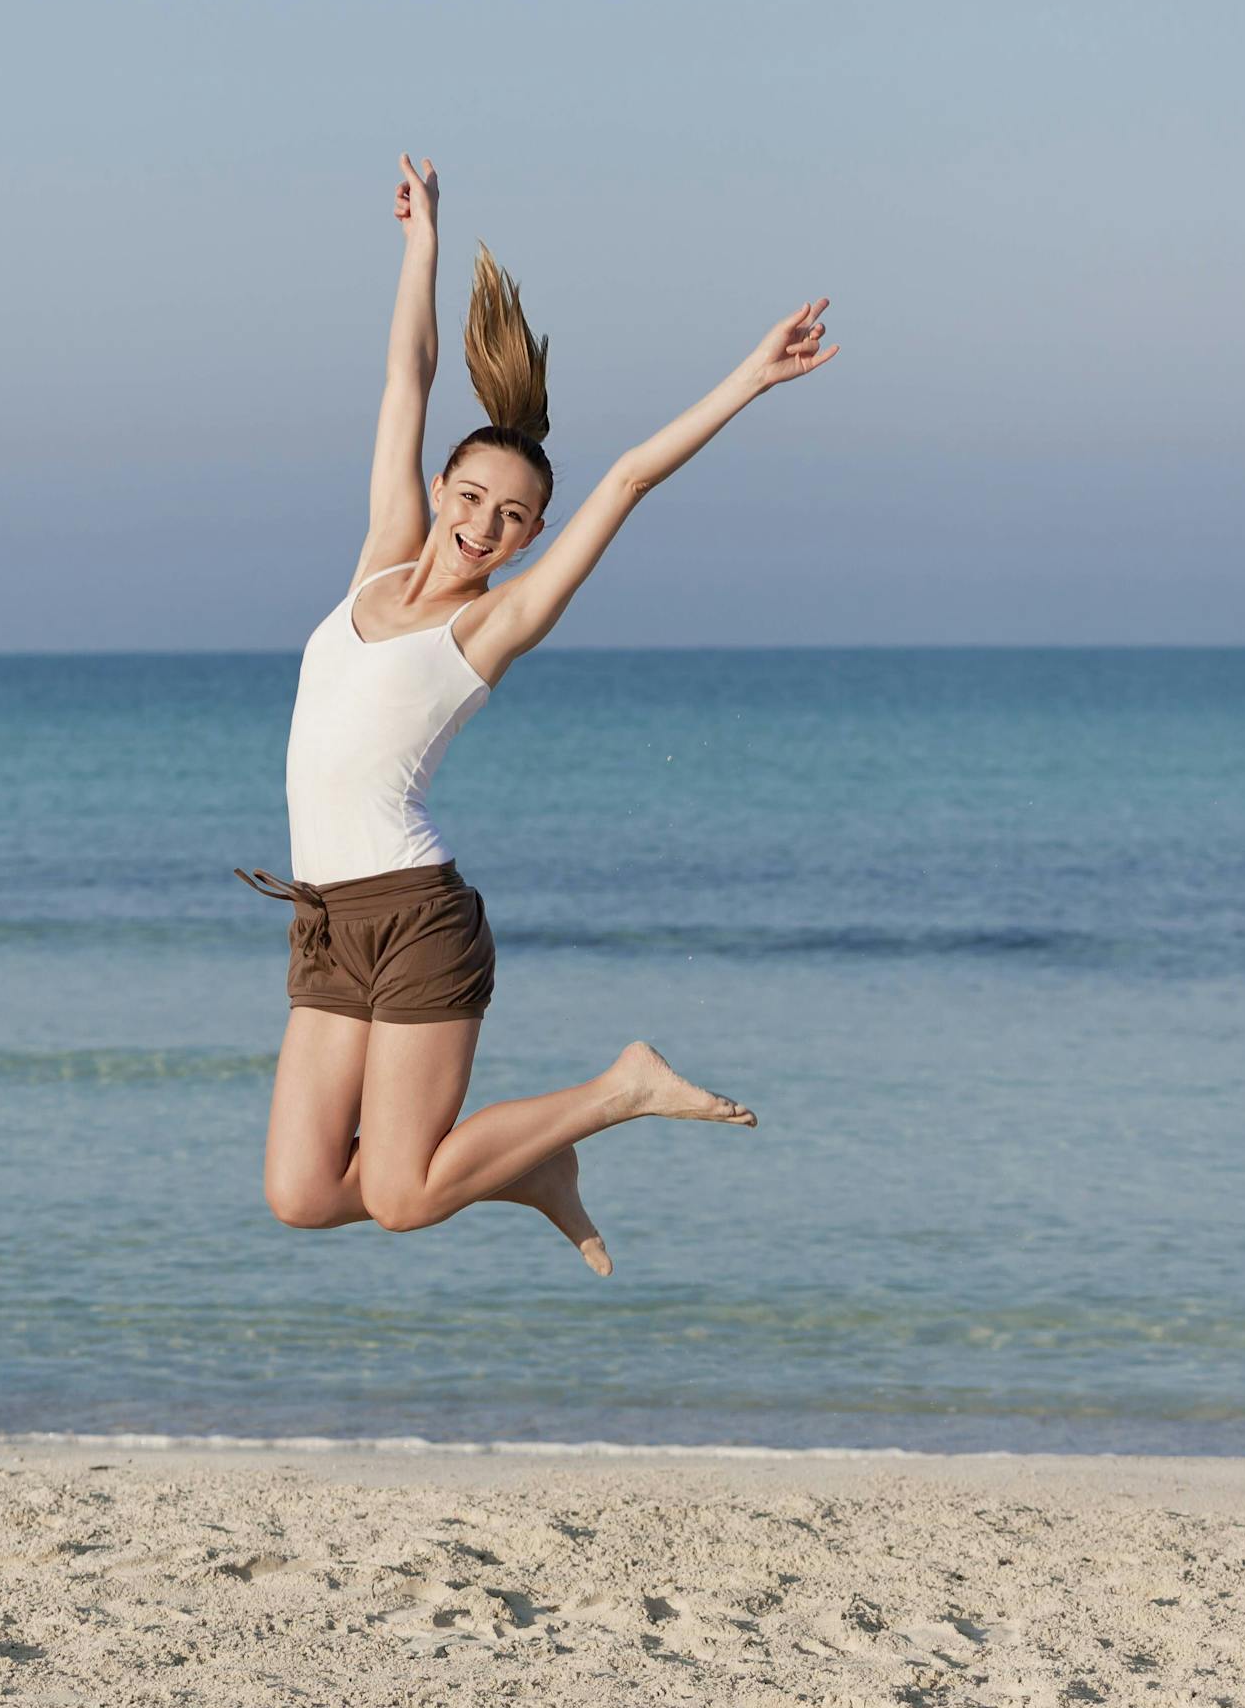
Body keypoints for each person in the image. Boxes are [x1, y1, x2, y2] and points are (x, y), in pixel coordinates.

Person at [236, 153, 838, 1274]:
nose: (481, 524)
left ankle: (618, 1087)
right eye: (470, 497)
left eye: (513, 519)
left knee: (405, 1196)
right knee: (301, 1191)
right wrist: (420, 246)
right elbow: (404, 379)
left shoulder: (489, 627)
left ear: (525, 539)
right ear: (442, 489)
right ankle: (525, 1166)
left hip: (417, 922)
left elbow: (620, 481)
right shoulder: (375, 560)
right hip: (324, 919)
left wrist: (746, 380)